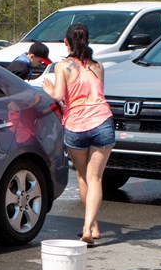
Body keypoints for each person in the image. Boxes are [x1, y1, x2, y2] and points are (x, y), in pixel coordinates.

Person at [44, 23, 114, 246]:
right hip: (102, 122)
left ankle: (90, 227)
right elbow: (99, 94)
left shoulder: (62, 66)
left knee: (83, 177)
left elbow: (58, 96)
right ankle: (90, 226)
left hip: (76, 126)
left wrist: (48, 89)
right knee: (95, 179)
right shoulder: (98, 66)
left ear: (66, 42)